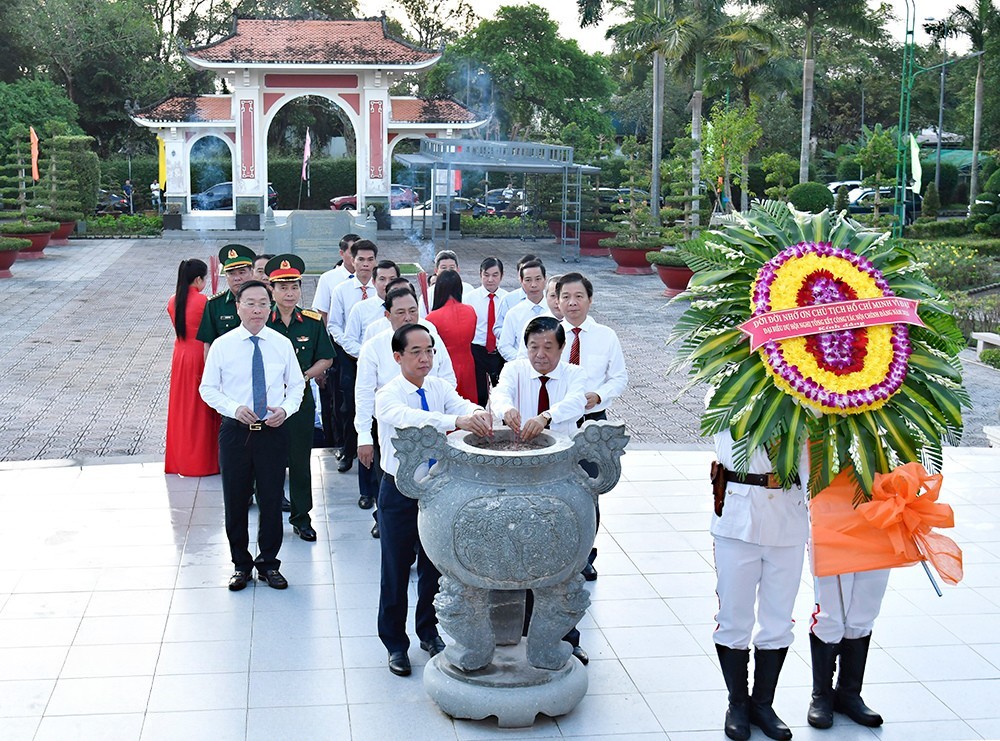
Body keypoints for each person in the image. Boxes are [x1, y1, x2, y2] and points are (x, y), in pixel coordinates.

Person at [375, 323, 492, 676]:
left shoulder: (439, 387)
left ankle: (429, 631)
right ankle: (395, 643)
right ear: (398, 357)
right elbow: (414, 421)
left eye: (429, 351)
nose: (425, 358)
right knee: (395, 567)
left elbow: (464, 405)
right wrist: (454, 420)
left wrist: (477, 414)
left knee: (434, 565)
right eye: (416, 352)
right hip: (399, 488)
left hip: (439, 489)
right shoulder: (389, 395)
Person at [490, 316, 590, 665]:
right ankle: (519, 629)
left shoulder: (574, 375)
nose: (540, 354)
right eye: (534, 346)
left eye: (548, 347)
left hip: (559, 475)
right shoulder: (515, 370)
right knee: (522, 553)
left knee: (562, 560)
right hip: (519, 476)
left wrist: (545, 416)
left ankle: (567, 637)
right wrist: (507, 410)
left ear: (562, 349)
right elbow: (499, 393)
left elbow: (578, 401)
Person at [199, 281, 305, 591]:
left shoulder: (281, 343)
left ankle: (269, 564)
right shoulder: (223, 345)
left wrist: (285, 410)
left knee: (271, 500)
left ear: (270, 306)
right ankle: (241, 565)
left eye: (263, 303)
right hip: (236, 433)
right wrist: (233, 408)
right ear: (238, 307)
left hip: (272, 431)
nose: (257, 309)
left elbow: (297, 385)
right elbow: (207, 388)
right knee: (235, 500)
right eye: (250, 303)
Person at [711, 430, 807, 741]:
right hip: (739, 517)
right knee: (733, 618)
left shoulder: (810, 395)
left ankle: (764, 705)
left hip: (788, 518)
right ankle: (737, 704)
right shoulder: (728, 387)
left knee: (778, 620)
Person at [355, 286, 457, 530]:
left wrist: (440, 408)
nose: (408, 317)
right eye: (400, 312)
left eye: (413, 311)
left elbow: (449, 379)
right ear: (387, 315)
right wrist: (363, 435)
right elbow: (364, 393)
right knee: (392, 480)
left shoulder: (430, 337)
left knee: (431, 490)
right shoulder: (374, 346)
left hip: (432, 429)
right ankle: (386, 522)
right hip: (393, 430)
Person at [557, 272, 628, 581]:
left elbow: (620, 377)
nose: (572, 303)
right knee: (557, 489)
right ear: (557, 301)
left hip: (592, 424)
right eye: (566, 297)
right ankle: (558, 553)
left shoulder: (606, 336)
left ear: (589, 299)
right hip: (558, 422)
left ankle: (586, 555)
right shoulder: (549, 335)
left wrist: (599, 395)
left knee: (588, 491)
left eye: (579, 297)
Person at [265, 255, 335, 542]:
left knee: (299, 461)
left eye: (294, 287)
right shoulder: (261, 322)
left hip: (300, 402)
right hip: (267, 402)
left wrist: (303, 376)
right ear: (271, 290)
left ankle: (301, 517)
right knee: (267, 461)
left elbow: (327, 358)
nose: (289, 293)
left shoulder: (311, 322)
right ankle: (269, 518)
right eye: (282, 288)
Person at [807, 570, 889, 730]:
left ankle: (849, 694)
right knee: (829, 611)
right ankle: (821, 696)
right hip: (833, 544)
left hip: (879, 545)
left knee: (865, 611)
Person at [327, 239, 378, 472]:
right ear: (352, 260)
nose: (365, 265)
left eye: (370, 260)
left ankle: (376, 452)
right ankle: (348, 451)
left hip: (380, 358)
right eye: (361, 259)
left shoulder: (382, 289)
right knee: (349, 407)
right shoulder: (342, 290)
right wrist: (358, 350)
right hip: (350, 356)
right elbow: (334, 325)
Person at [165, 258, 219, 477]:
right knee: (202, 409)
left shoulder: (172, 300)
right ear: (198, 279)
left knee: (183, 408)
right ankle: (203, 461)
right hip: (200, 355)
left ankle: (181, 459)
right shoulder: (204, 302)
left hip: (180, 355)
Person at [313, 233, 360, 449]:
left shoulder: (371, 279)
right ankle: (341, 446)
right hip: (337, 350)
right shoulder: (329, 279)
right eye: (353, 252)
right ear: (342, 254)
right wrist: (322, 357)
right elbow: (322, 317)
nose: (358, 258)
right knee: (339, 402)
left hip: (364, 351)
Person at [424, 270, 478, 403]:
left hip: (445, 366)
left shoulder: (432, 318)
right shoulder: (470, 311)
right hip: (468, 364)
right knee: (467, 405)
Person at [196, 244, 256, 348]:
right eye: (232, 273)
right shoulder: (214, 304)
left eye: (242, 272)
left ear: (252, 272)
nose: (237, 278)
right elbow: (208, 344)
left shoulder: (264, 302)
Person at [466, 257, 508, 406]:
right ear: (480, 275)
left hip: (500, 351)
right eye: (486, 275)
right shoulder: (469, 299)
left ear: (502, 276)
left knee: (503, 393)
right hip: (477, 350)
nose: (490, 279)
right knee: (480, 394)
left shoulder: (507, 299)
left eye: (495, 275)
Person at [342, 260, 400, 358]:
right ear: (373, 282)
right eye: (382, 279)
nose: (387, 284)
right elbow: (349, 341)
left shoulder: (408, 308)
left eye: (392, 279)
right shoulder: (360, 308)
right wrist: (369, 354)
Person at [498, 259, 550, 362]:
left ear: (545, 279)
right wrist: (524, 361)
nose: (533, 285)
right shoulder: (513, 313)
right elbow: (504, 346)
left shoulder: (555, 311)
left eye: (538, 279)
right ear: (521, 281)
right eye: (528, 280)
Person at [493, 253, 537, 341]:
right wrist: (511, 334)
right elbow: (497, 328)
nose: (532, 283)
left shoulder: (551, 299)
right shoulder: (509, 299)